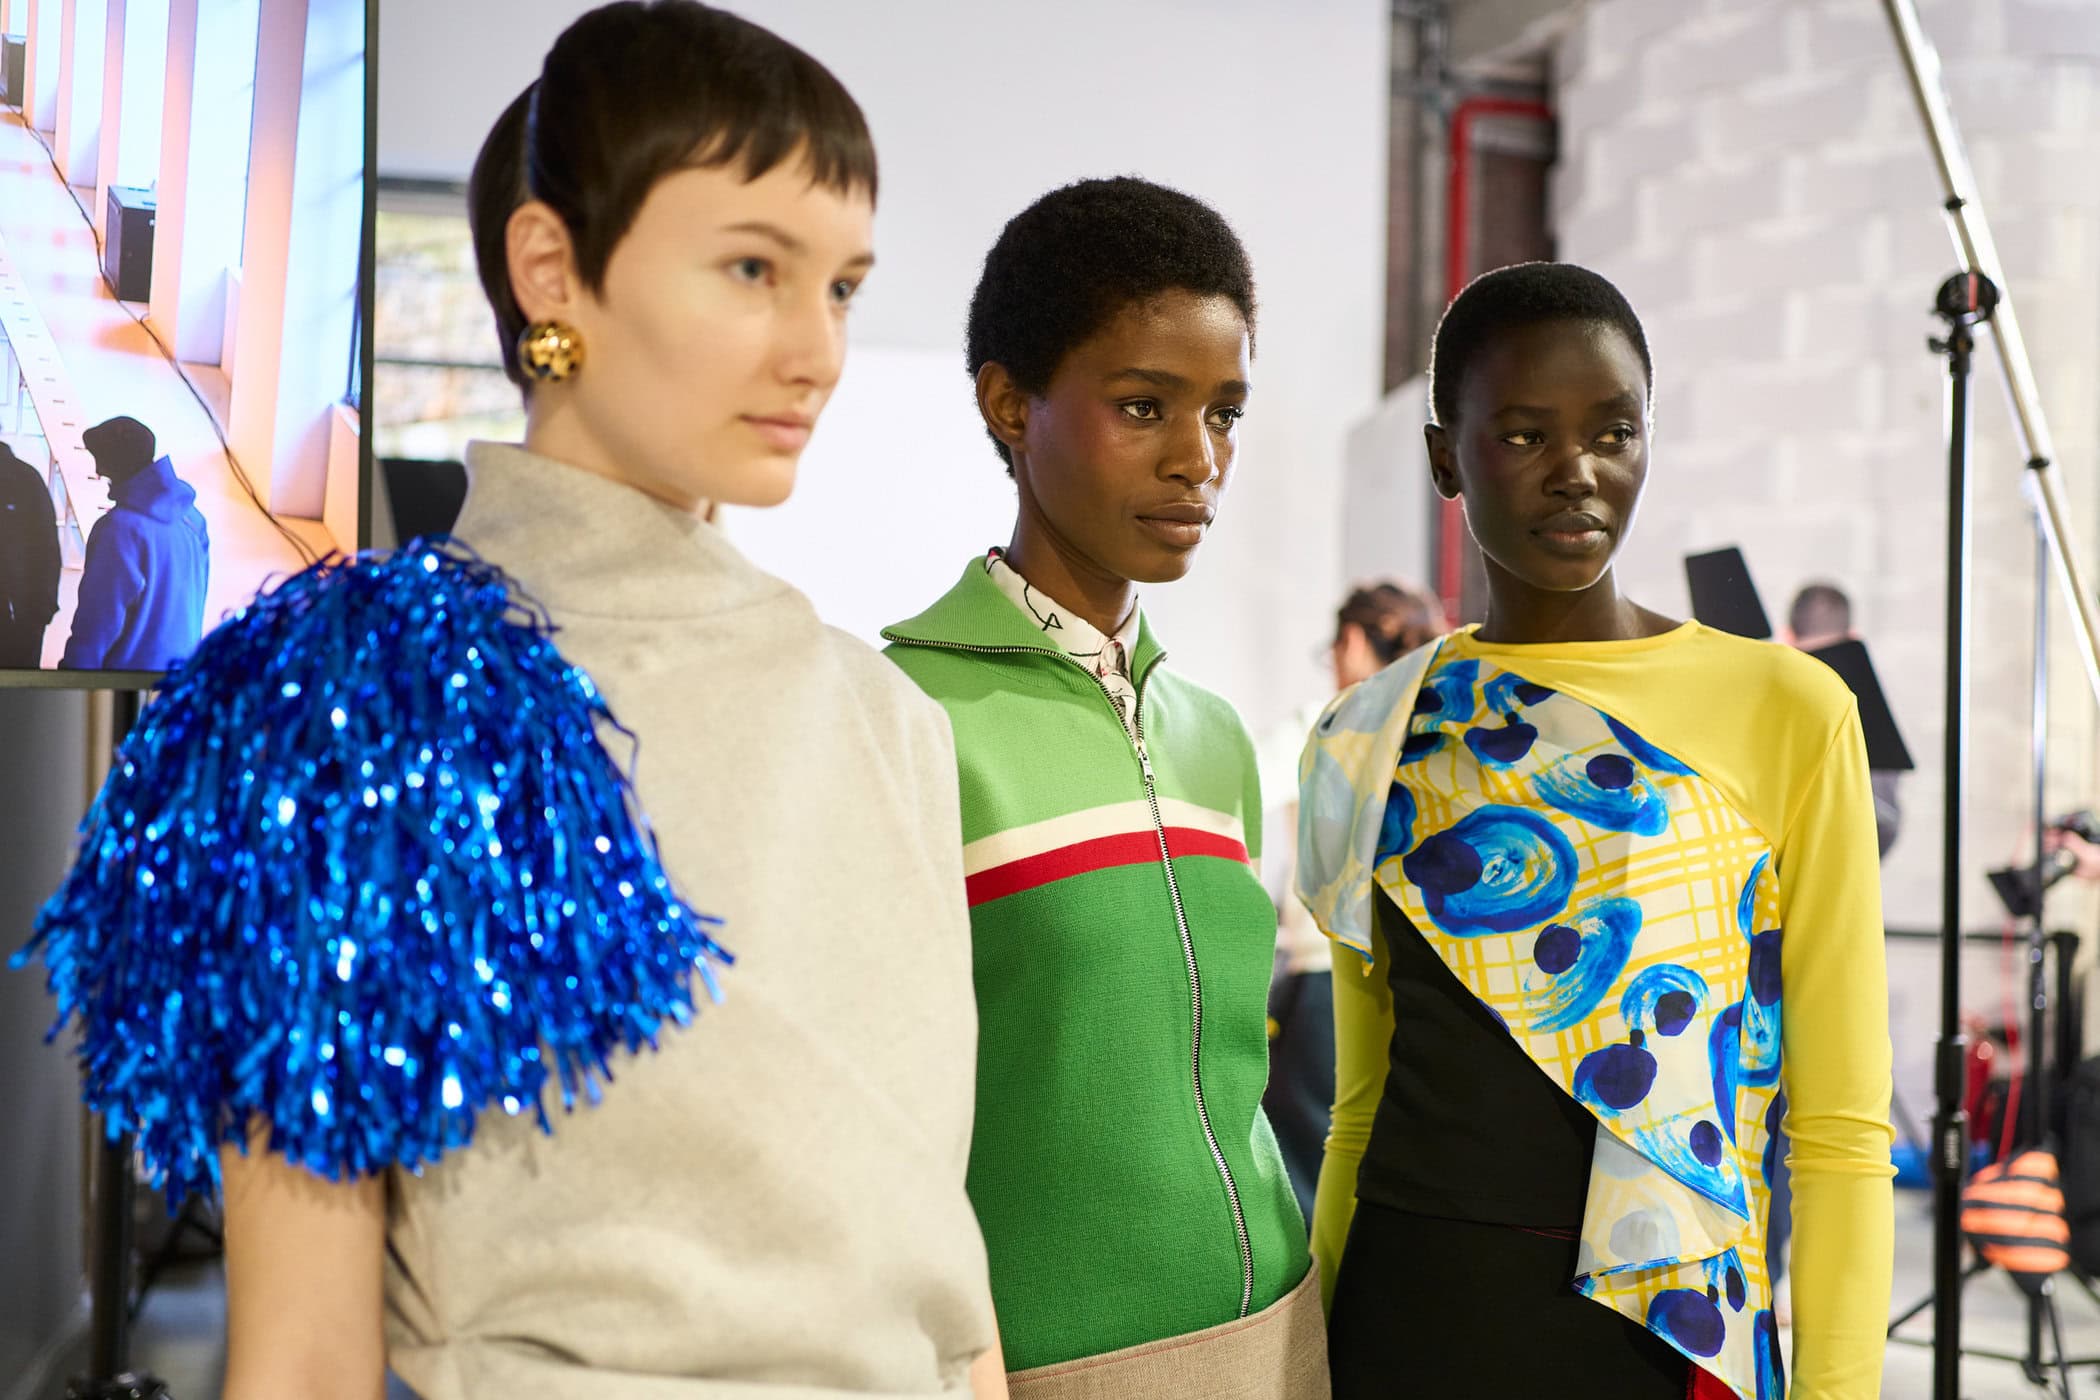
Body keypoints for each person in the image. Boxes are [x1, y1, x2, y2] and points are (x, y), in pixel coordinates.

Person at [36, 6, 1003, 1396]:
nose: (818, 349)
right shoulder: (348, 706)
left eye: (842, 287)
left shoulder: (886, 719)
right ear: (551, 267)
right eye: (753, 268)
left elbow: (950, 1296)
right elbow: (305, 1354)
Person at [1298, 262, 1894, 1398]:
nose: (1577, 471)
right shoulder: (1367, 733)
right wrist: (1309, 1364)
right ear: (1445, 458)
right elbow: (1360, 1108)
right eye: (1524, 435)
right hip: (1406, 1315)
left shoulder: (1787, 710)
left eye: (1614, 432)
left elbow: (1839, 1129)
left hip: (1660, 1328)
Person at [883, 178, 1325, 1398]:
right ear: (1009, 402)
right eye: (1144, 406)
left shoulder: (1214, 737)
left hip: (1283, 1337)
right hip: (1052, 1363)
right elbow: (880, 1129)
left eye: (1225, 413)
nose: (1199, 459)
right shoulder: (904, 717)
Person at [1261, 582, 1446, 1221]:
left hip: (1328, 975)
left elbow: (1239, 800)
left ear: (1352, 642)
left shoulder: (1324, 720)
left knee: (1312, 1162)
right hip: (1429, 980)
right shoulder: (1442, 721)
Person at [56, 416, 209, 672]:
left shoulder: (118, 531)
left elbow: (96, 625)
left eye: (101, 462)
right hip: (177, 678)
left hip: (124, 686)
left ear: (117, 465)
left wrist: (70, 681)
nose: (98, 472)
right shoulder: (192, 520)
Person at [1787, 581, 1902, 858]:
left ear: (1787, 636)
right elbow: (1885, 823)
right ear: (1853, 636)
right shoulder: (1870, 710)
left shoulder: (1770, 691)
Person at [0, 440, 61, 667]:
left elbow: (46, 553)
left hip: (17, 627)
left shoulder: (24, 481)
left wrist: (37, 618)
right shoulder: (24, 478)